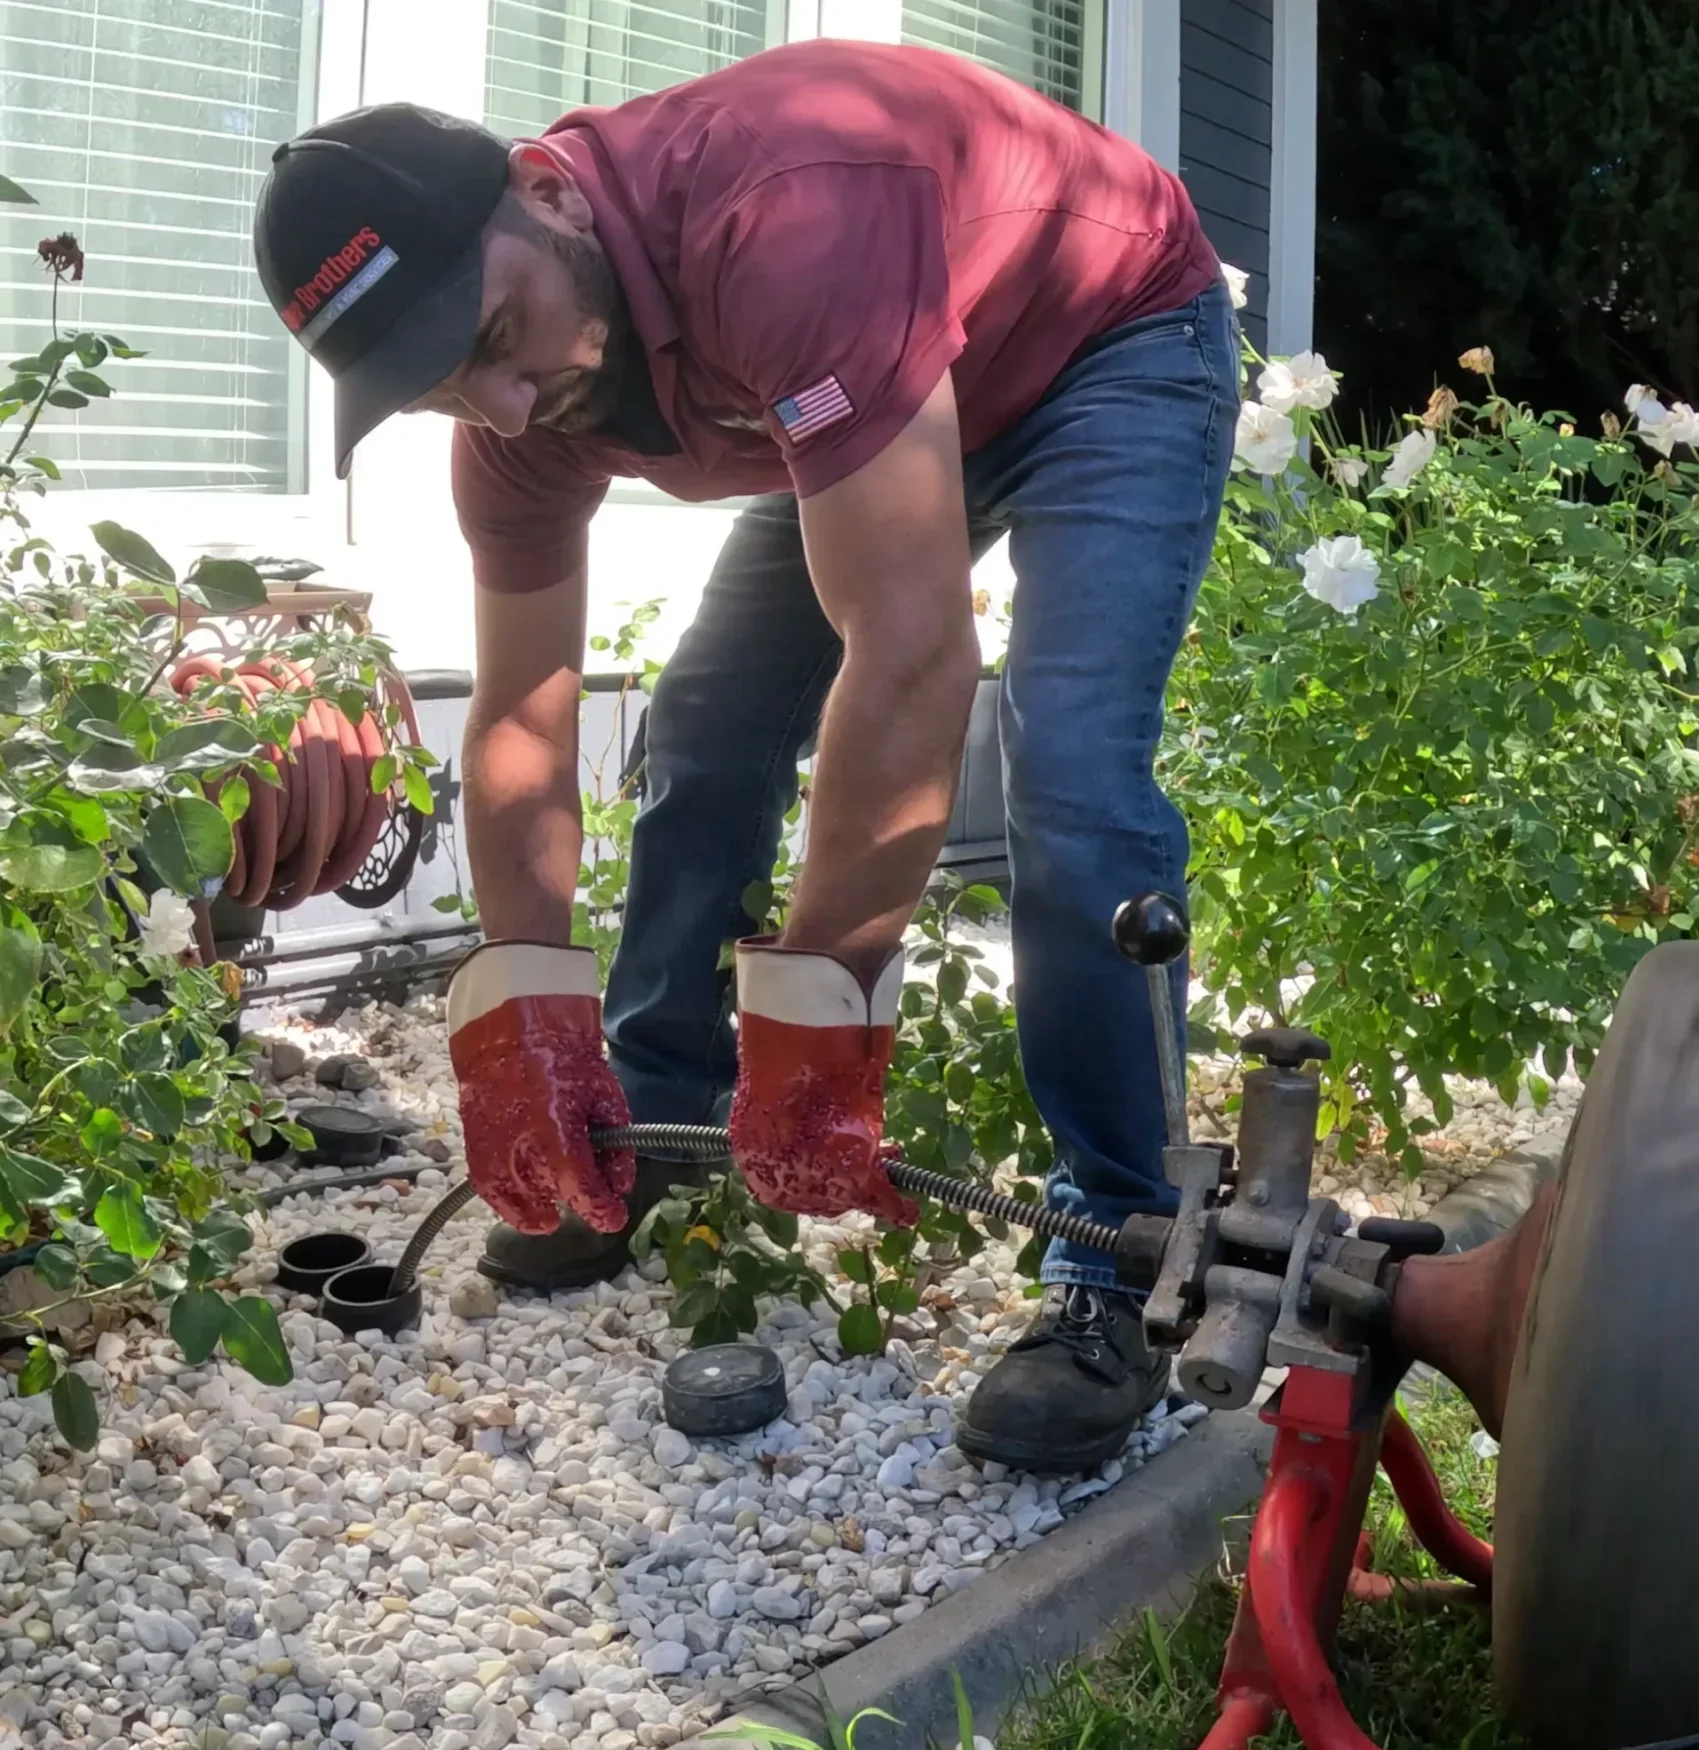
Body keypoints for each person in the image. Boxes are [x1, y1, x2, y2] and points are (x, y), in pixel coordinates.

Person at [248, 41, 1240, 1475]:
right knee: (710, 723)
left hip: (1103, 349)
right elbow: (525, 711)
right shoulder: (520, 413)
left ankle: (1125, 1251)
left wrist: (821, 1028)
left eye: (492, 338)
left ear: (548, 195)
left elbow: (912, 658)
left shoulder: (779, 218)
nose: (507, 408)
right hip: (861, 394)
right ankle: (649, 1115)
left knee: (1073, 773)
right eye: (444, 392)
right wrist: (521, 1021)